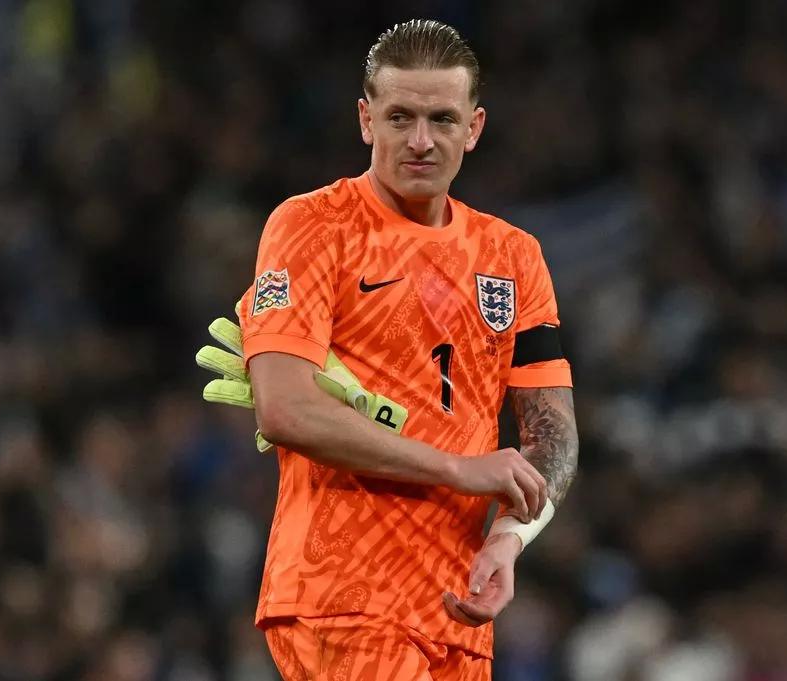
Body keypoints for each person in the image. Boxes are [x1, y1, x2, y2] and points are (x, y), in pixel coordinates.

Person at [234, 19, 578, 680]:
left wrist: (508, 537)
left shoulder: (513, 256)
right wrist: (457, 468)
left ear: (473, 128)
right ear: (366, 121)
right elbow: (284, 409)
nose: (421, 141)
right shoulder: (313, 225)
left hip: (457, 611)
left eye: (442, 119)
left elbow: (552, 434)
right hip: (345, 597)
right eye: (400, 117)